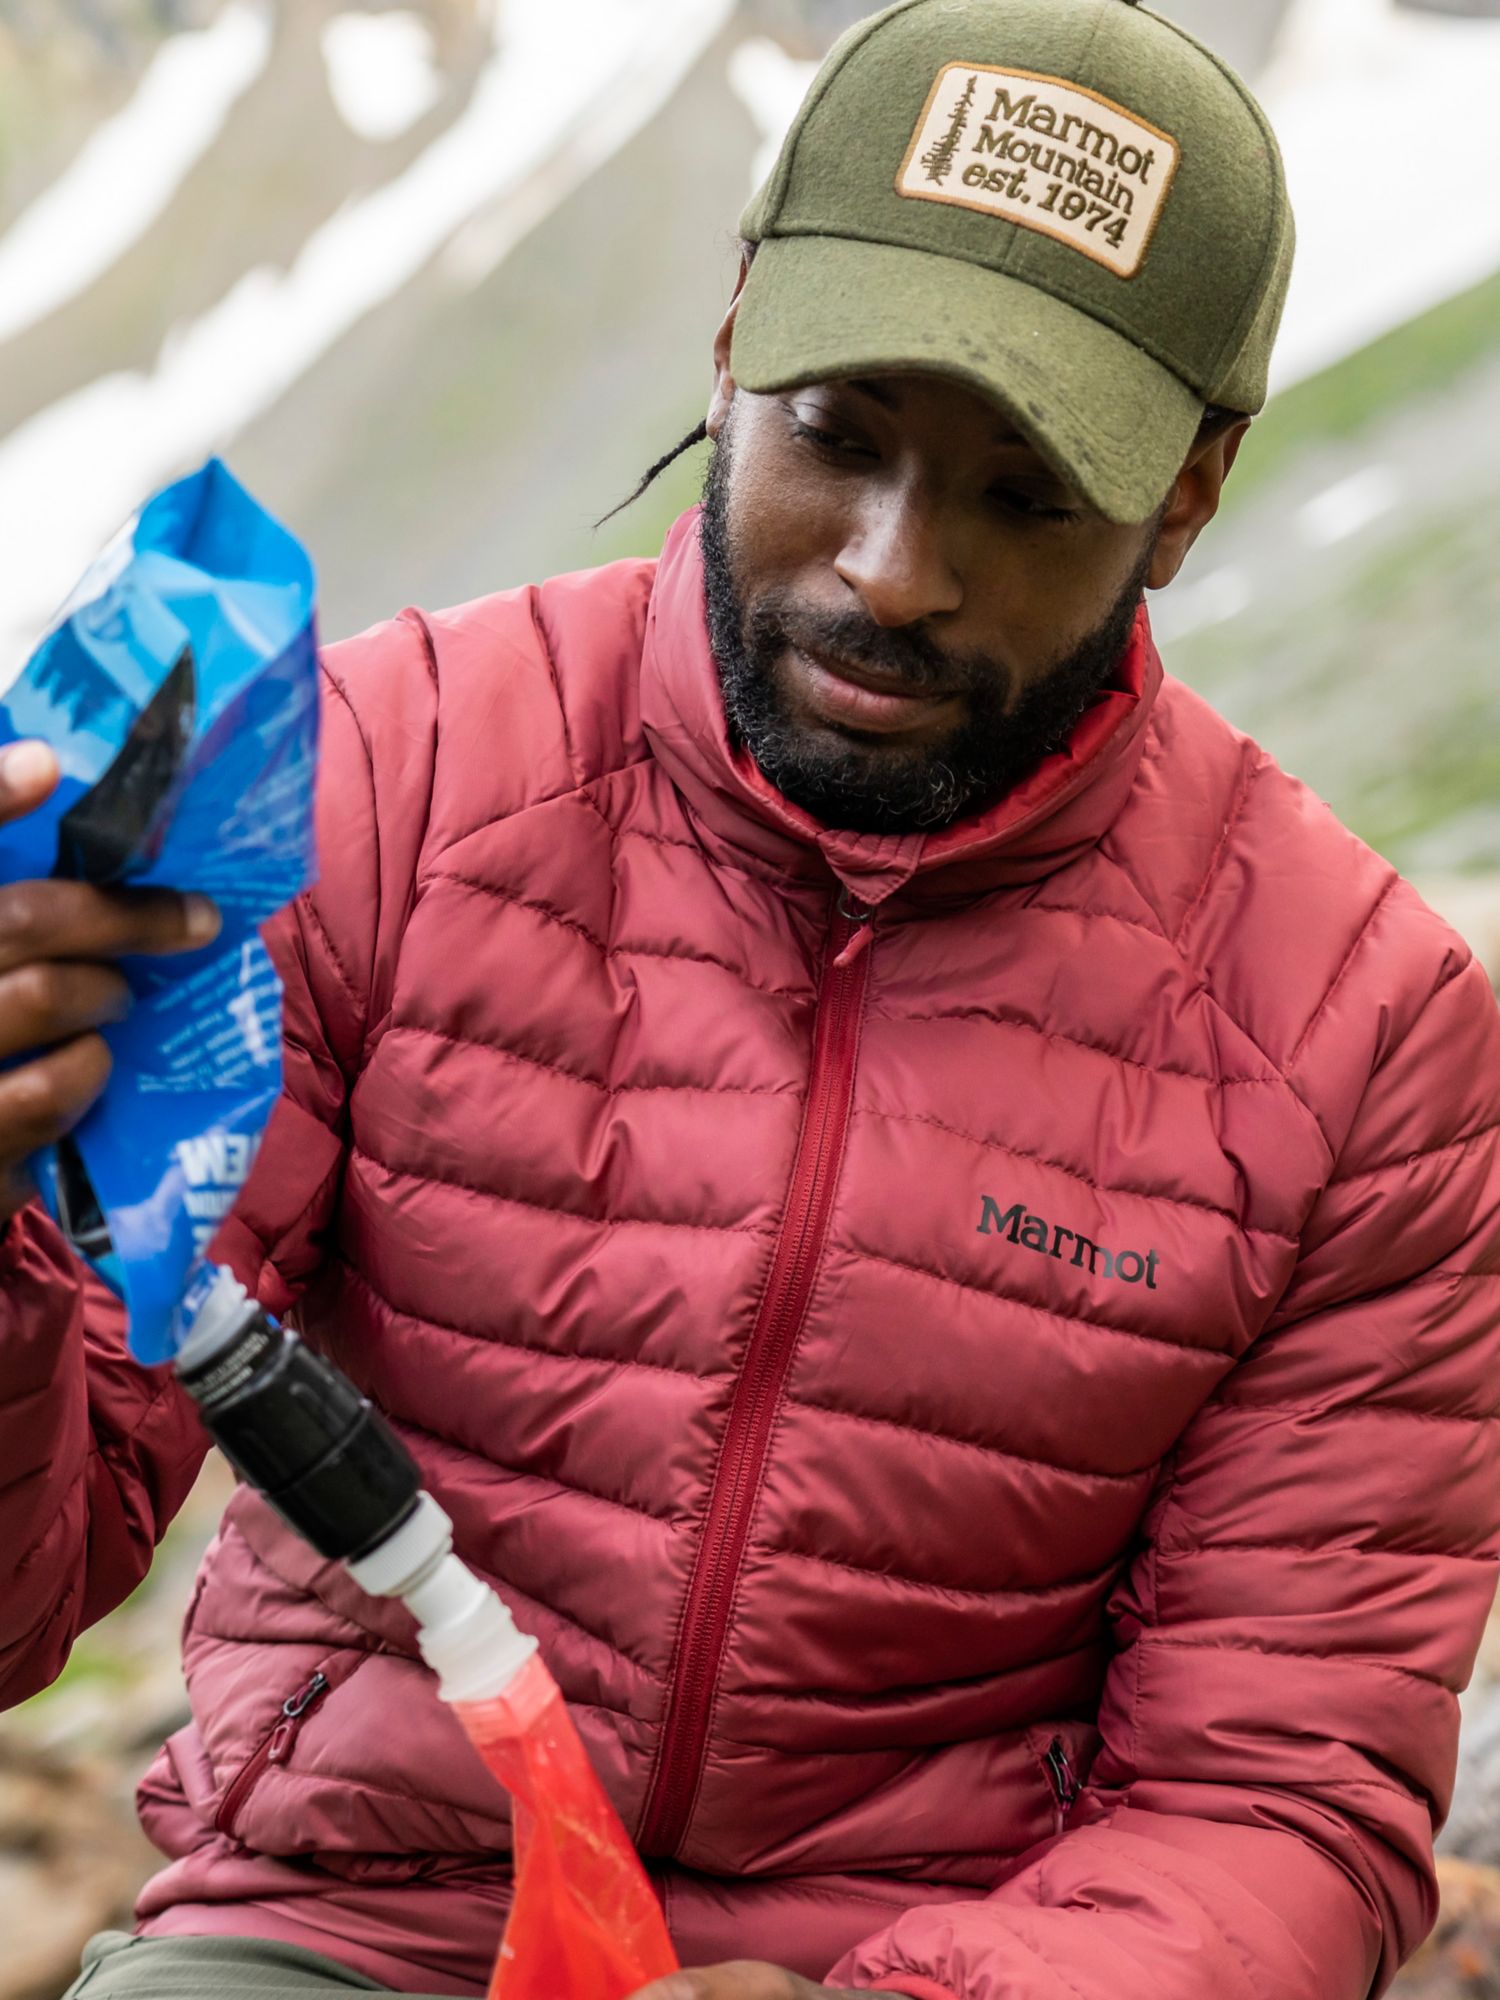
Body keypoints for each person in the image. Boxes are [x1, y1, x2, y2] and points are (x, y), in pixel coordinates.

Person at [2, 0, 1497, 1995]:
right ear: (730, 346)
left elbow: (1284, 1791)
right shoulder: (383, 782)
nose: (892, 571)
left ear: (1192, 494)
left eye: (1027, 496)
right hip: (362, 1925)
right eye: (839, 436)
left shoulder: (1364, 1037)